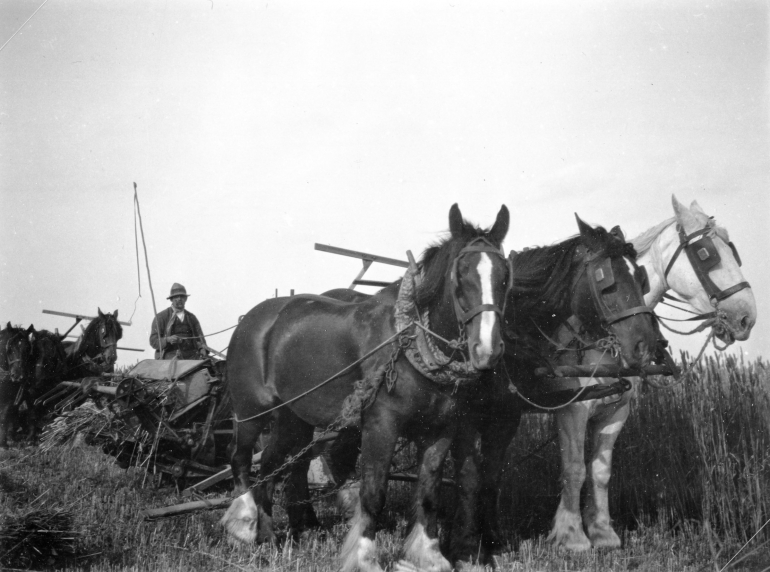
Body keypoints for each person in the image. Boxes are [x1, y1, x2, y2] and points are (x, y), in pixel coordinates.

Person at [149, 283, 208, 360]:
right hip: (170, 357)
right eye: (176, 297)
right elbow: (153, 341)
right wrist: (167, 340)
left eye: (182, 297)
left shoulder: (192, 318)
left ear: (186, 299)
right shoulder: (161, 317)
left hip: (192, 357)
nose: (179, 299)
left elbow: (200, 339)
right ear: (171, 299)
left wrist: (202, 349)